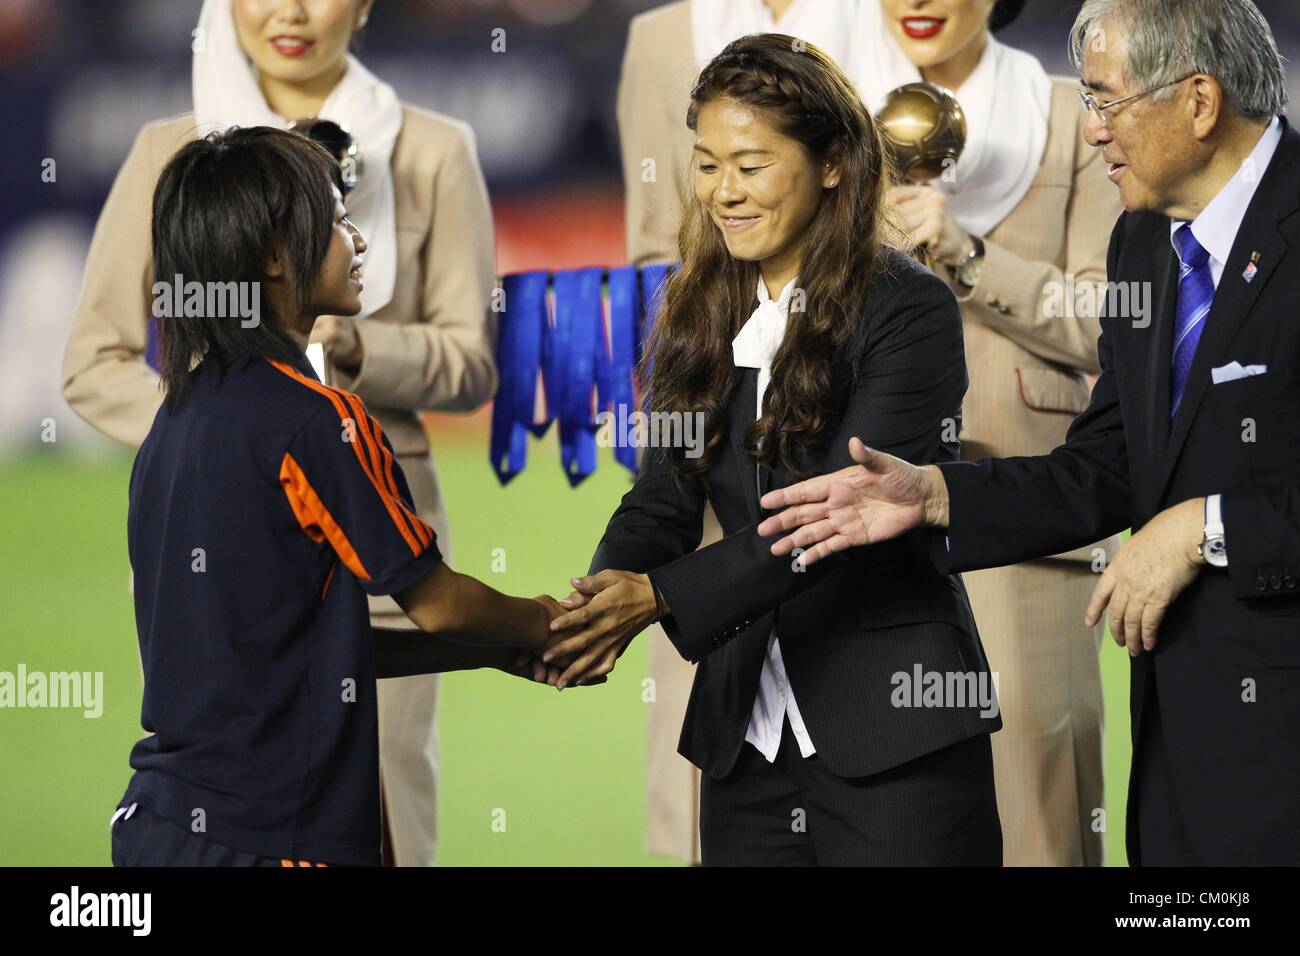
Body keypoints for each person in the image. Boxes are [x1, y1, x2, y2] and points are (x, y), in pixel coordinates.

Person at [758, 0, 1299, 866]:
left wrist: (1207, 528)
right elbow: (1103, 467)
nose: (1092, 133)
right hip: (1182, 751)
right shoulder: (1145, 245)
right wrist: (933, 494)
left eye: (1108, 101)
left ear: (1200, 102)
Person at [548, 34, 1002, 866]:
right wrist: (601, 597)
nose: (725, 192)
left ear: (832, 163)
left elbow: (834, 516)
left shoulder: (910, 309)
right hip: (745, 744)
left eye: (752, 166)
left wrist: (655, 597)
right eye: (707, 164)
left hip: (897, 738)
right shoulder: (694, 300)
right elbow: (664, 492)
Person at [62, 0, 497, 866]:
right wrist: (238, 444)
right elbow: (92, 360)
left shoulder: (437, 147)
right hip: (228, 545)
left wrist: (358, 345)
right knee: (233, 778)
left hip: (389, 537)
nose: (289, 11)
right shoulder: (171, 151)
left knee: (391, 805)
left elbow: (471, 362)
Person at [110, 126, 573, 868]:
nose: (357, 237)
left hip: (157, 824)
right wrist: (541, 622)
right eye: (335, 219)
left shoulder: (176, 420)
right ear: (271, 254)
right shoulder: (318, 420)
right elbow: (439, 601)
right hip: (273, 838)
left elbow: (303, 654)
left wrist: (495, 653)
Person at [871, 0, 1123, 866]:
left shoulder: (1071, 116)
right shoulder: (828, 113)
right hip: (859, 504)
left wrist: (970, 255)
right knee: (882, 810)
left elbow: (1106, 322)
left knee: (1040, 819)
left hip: (1025, 507)